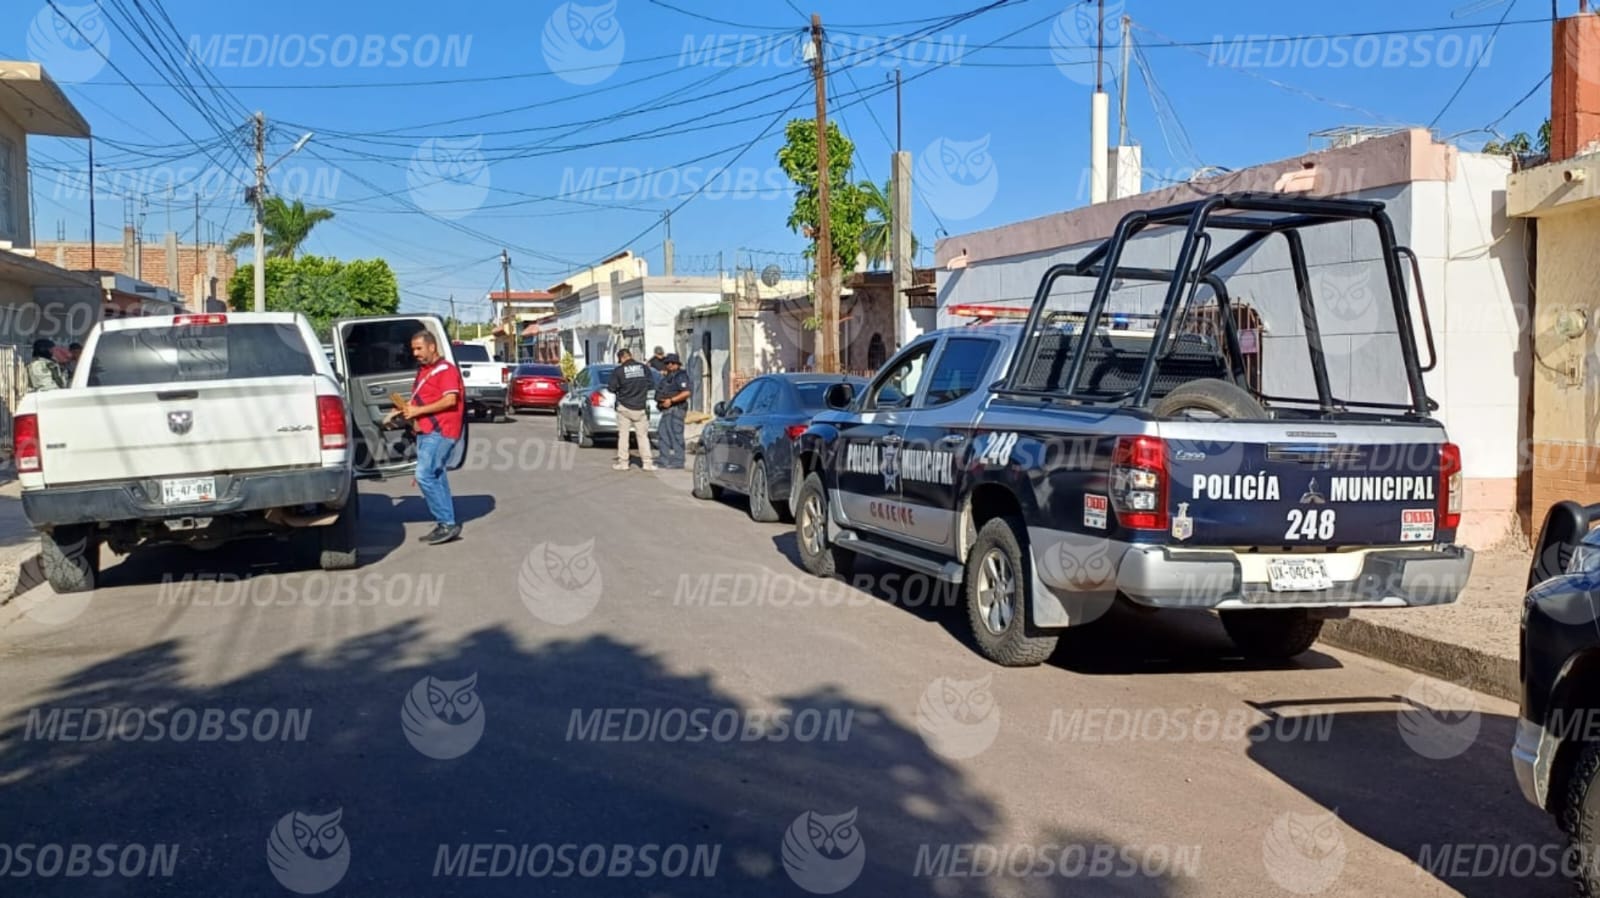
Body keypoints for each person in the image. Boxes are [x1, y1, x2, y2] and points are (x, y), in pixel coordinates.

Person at [385, 330, 465, 545]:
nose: (415, 353)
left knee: (424, 475)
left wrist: (418, 411)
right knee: (436, 475)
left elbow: (450, 400)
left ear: (432, 347)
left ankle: (447, 523)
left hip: (441, 430)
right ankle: (446, 522)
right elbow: (424, 399)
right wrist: (402, 410)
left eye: (419, 348)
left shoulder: (446, 370)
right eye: (413, 349)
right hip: (426, 431)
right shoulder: (424, 371)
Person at [606, 348, 654, 471]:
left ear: (621, 358)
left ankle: (623, 463)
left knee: (623, 436)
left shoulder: (619, 371)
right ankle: (647, 463)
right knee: (643, 436)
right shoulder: (644, 368)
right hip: (640, 407)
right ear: (630, 355)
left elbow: (611, 388)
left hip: (624, 407)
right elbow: (651, 384)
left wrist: (622, 390)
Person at [655, 353, 692, 469]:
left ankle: (678, 461)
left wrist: (671, 400)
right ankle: (664, 460)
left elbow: (686, 392)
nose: (669, 365)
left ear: (677, 364)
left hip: (676, 409)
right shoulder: (668, 377)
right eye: (667, 363)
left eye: (672, 363)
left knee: (676, 435)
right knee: (663, 434)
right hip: (666, 410)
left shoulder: (681, 376)